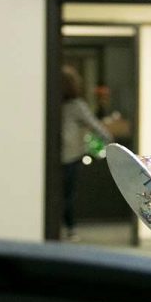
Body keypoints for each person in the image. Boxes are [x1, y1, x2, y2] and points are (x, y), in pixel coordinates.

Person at [60, 65, 113, 241]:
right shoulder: (77, 105)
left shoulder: (51, 102)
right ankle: (70, 229)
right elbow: (96, 127)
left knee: (58, 194)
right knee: (68, 194)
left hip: (56, 155)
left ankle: (61, 228)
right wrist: (110, 142)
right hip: (71, 156)